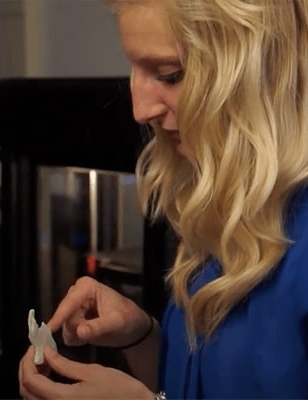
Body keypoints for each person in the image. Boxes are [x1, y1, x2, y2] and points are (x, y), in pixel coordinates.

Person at [19, 0, 308, 398]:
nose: (140, 110)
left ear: (260, 69)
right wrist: (143, 338)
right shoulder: (224, 210)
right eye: (134, 68)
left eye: (171, 75)